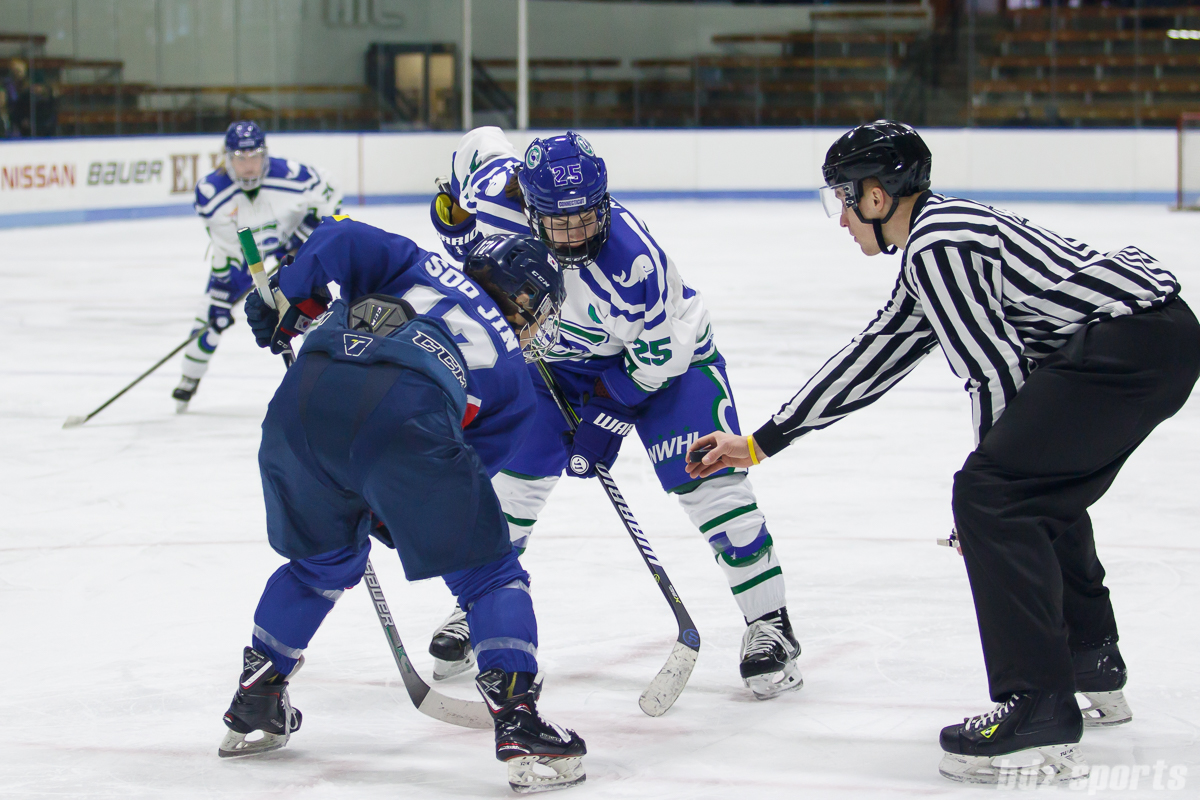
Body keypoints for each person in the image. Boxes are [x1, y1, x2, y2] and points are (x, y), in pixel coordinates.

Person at [686, 120, 1200, 784]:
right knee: (1033, 491)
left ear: (878, 196)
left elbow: (996, 374)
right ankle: (1087, 659)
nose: (840, 217)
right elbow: (874, 356)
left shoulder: (937, 246)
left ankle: (1038, 704)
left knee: (996, 496)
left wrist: (991, 492)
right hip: (1152, 340)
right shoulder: (936, 242)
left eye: (844, 198)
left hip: (1128, 346)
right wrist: (761, 442)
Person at [424, 127, 802, 700]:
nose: (577, 236)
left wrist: (608, 414)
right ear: (529, 204)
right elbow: (479, 146)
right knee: (510, 486)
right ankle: (480, 604)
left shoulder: (632, 263)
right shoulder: (497, 198)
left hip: (667, 363)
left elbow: (662, 354)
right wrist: (450, 217)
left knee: (709, 481)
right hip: (560, 362)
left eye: (588, 218)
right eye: (561, 222)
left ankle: (770, 624)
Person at [220, 218, 587, 793]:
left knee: (318, 565)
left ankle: (258, 695)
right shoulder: (514, 379)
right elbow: (460, 466)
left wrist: (293, 294)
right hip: (405, 421)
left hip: (298, 409)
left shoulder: (410, 260)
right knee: (489, 574)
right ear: (525, 302)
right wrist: (387, 509)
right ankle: (518, 720)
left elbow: (339, 240)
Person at [174, 120, 342, 411]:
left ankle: (327, 382)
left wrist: (303, 239)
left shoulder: (294, 177)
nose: (249, 166)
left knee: (309, 314)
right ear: (227, 159)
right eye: (241, 159)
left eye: (255, 157)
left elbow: (330, 192)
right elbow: (227, 249)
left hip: (288, 249)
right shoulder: (211, 194)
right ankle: (190, 378)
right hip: (242, 258)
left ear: (265, 155)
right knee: (208, 321)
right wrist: (222, 298)